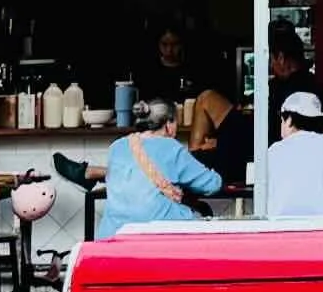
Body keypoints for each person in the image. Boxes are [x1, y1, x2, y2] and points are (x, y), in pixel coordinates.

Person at [96, 100, 225, 241]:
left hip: (111, 234)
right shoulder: (171, 147)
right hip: (159, 232)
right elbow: (212, 185)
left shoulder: (117, 146)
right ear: (168, 124)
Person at [265, 92, 323, 220]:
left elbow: (262, 198)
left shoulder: (272, 151)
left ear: (289, 119)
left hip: (279, 227)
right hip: (321, 226)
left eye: (281, 120)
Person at [184, 86, 254, 188]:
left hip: (244, 154)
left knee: (206, 97)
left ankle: (194, 161)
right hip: (243, 146)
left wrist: (221, 141)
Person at [134, 24, 202, 105]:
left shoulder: (190, 70)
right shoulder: (149, 70)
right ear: (158, 44)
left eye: (174, 44)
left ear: (181, 45)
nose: (169, 50)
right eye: (164, 44)